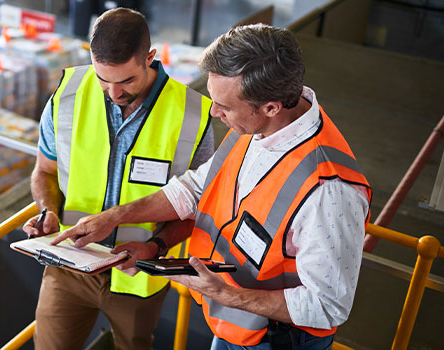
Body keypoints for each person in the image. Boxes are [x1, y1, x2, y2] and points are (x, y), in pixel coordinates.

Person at [53, 24, 372, 349]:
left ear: (271, 107)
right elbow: (195, 189)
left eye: (224, 106)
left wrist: (225, 293)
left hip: (276, 340)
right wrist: (117, 217)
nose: (213, 111)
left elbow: (327, 306)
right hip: (232, 326)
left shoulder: (330, 191)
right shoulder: (255, 126)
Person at [21, 7, 214, 349]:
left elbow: (198, 208)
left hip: (137, 277)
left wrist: (156, 247)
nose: (114, 93)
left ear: (149, 58)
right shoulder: (66, 95)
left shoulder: (193, 115)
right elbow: (45, 171)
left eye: (126, 81)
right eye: (103, 80)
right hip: (68, 262)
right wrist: (47, 210)